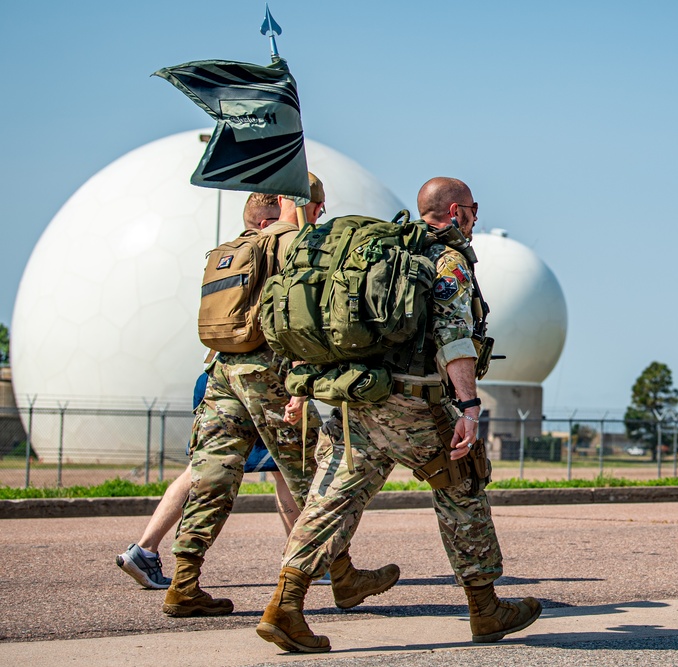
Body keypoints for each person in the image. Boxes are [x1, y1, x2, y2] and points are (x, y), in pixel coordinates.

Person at [256, 177, 541, 653]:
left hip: (356, 403)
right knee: (461, 487)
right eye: (472, 209)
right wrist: (469, 407)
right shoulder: (446, 260)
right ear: (456, 213)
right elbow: (455, 337)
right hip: (413, 405)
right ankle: (485, 606)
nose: (475, 217)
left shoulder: (380, 253)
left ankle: (285, 606)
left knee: (330, 502)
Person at [162, 175, 399, 617]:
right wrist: (298, 384)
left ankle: (183, 582)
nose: (321, 212)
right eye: (318, 204)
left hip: (221, 370)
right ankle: (338, 579)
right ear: (299, 202)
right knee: (317, 480)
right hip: (269, 375)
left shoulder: (233, 248)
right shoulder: (294, 243)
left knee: (211, 475)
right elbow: (299, 318)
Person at [117, 193, 298, 590]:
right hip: (259, 377)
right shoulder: (272, 253)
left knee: (202, 468)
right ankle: (306, 558)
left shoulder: (229, 254)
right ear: (269, 221)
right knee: (291, 467)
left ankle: (146, 549)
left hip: (216, 371)